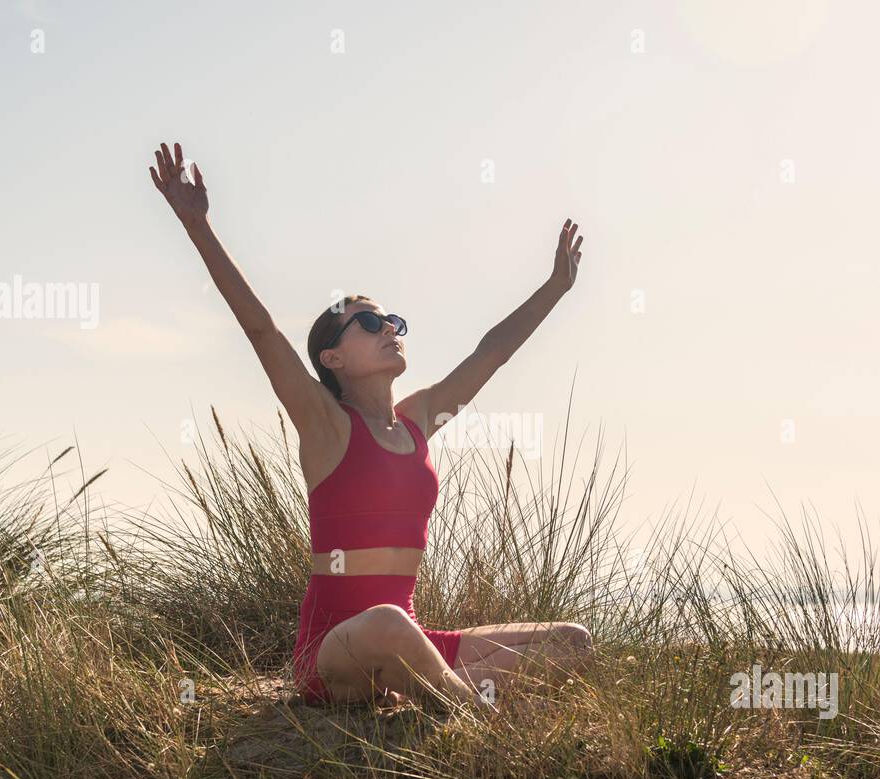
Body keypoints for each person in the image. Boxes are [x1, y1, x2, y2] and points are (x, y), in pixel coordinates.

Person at [149, 141, 594, 712]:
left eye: (389, 320)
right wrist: (197, 226)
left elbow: (491, 354)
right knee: (385, 622)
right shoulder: (327, 427)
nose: (387, 327)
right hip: (336, 655)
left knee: (572, 641)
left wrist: (555, 287)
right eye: (365, 322)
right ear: (331, 359)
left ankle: (443, 692)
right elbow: (261, 329)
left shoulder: (416, 424)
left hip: (411, 642)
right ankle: (477, 720)